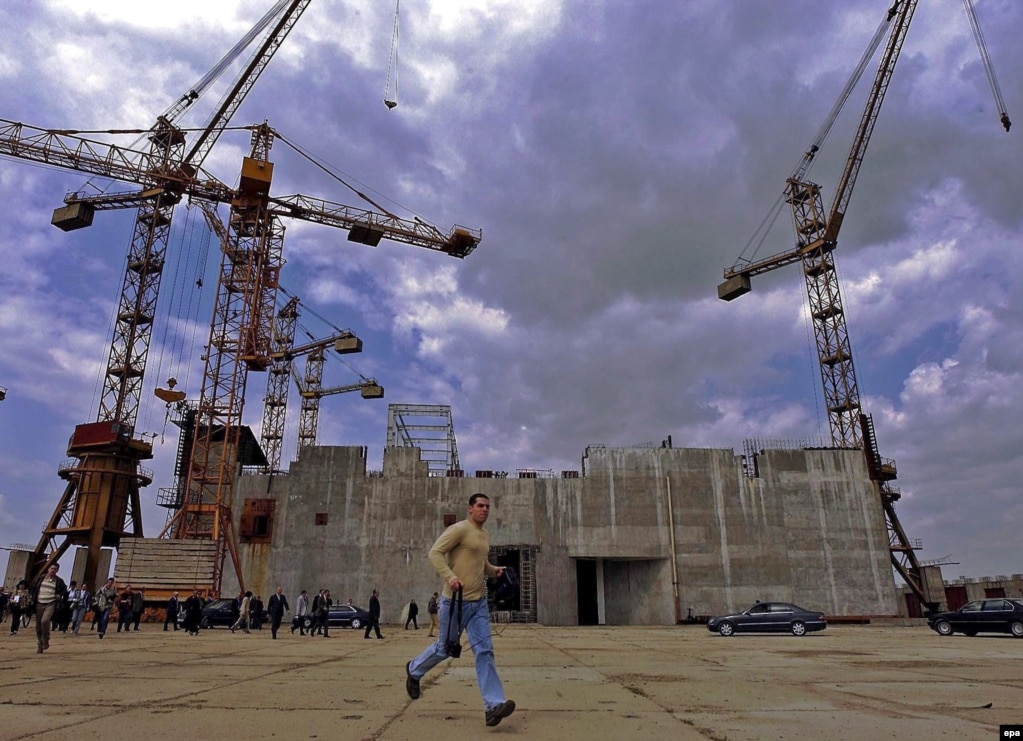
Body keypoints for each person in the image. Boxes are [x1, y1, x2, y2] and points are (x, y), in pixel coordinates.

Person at [405, 493, 515, 727]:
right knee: (445, 648)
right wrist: (451, 577)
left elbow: (479, 563)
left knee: (485, 650)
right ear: (470, 509)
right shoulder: (459, 529)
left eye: (487, 506)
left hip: (478, 604)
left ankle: (493, 706)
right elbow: (434, 553)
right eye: (480, 506)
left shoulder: (484, 535)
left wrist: (493, 570)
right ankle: (414, 670)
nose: (485, 509)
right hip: (454, 601)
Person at [31, 562, 68, 654]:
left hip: (50, 603)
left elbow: (64, 589)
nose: (53, 570)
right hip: (39, 603)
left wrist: (60, 595)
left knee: (45, 621)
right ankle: (40, 643)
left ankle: (46, 638)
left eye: (55, 569)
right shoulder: (41, 578)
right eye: (52, 568)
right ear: (48, 569)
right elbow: (34, 588)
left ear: (57, 570)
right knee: (38, 626)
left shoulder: (59, 581)